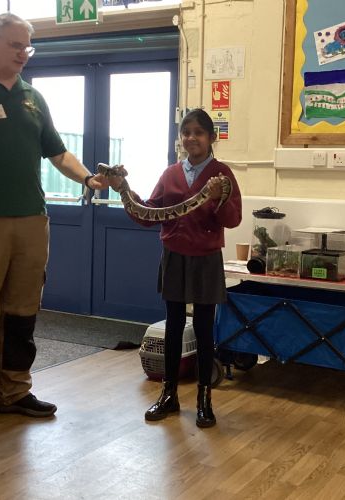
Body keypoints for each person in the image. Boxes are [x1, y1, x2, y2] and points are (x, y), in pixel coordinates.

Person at [0, 13, 109, 430]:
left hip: (31, 220)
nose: (24, 54)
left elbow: (57, 152)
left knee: (23, 311)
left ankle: (14, 391)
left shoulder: (33, 98)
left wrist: (88, 178)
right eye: (15, 45)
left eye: (27, 47)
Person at [108, 108, 242, 427]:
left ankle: (204, 399)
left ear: (211, 138)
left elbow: (233, 219)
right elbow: (148, 213)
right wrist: (123, 189)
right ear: (180, 138)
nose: (191, 138)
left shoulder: (222, 174)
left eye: (198, 132)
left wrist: (216, 198)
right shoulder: (170, 174)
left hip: (206, 257)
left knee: (205, 328)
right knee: (174, 326)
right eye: (186, 132)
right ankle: (169, 395)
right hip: (175, 255)